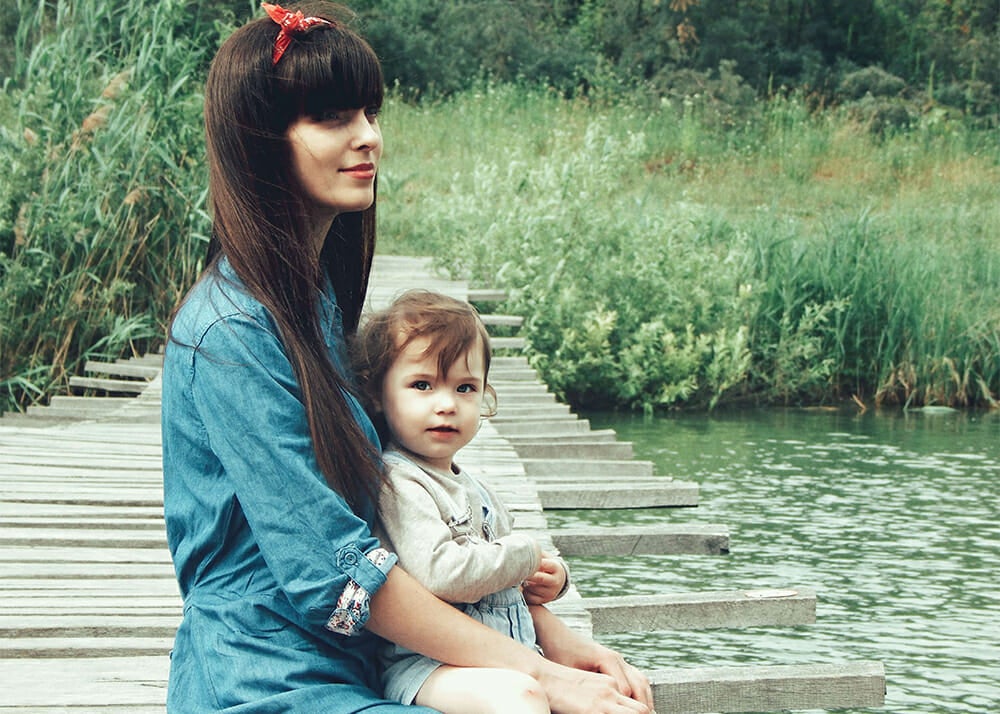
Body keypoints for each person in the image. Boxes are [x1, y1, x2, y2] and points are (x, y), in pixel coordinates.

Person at [161, 2, 655, 713]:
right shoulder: (231, 334)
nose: (368, 136)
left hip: (368, 662)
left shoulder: (313, 303)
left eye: (370, 112)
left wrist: (553, 639)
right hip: (265, 682)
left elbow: (407, 531)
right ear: (260, 141)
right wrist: (547, 676)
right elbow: (336, 571)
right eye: (332, 118)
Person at [350, 290, 652, 714]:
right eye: (422, 385)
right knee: (520, 696)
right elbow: (442, 574)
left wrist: (551, 576)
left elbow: (509, 576)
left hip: (507, 653)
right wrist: (525, 554)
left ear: (484, 397)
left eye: (465, 387)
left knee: (606, 690)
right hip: (429, 666)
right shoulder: (398, 480)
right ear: (378, 394)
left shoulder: (477, 489)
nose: (446, 404)